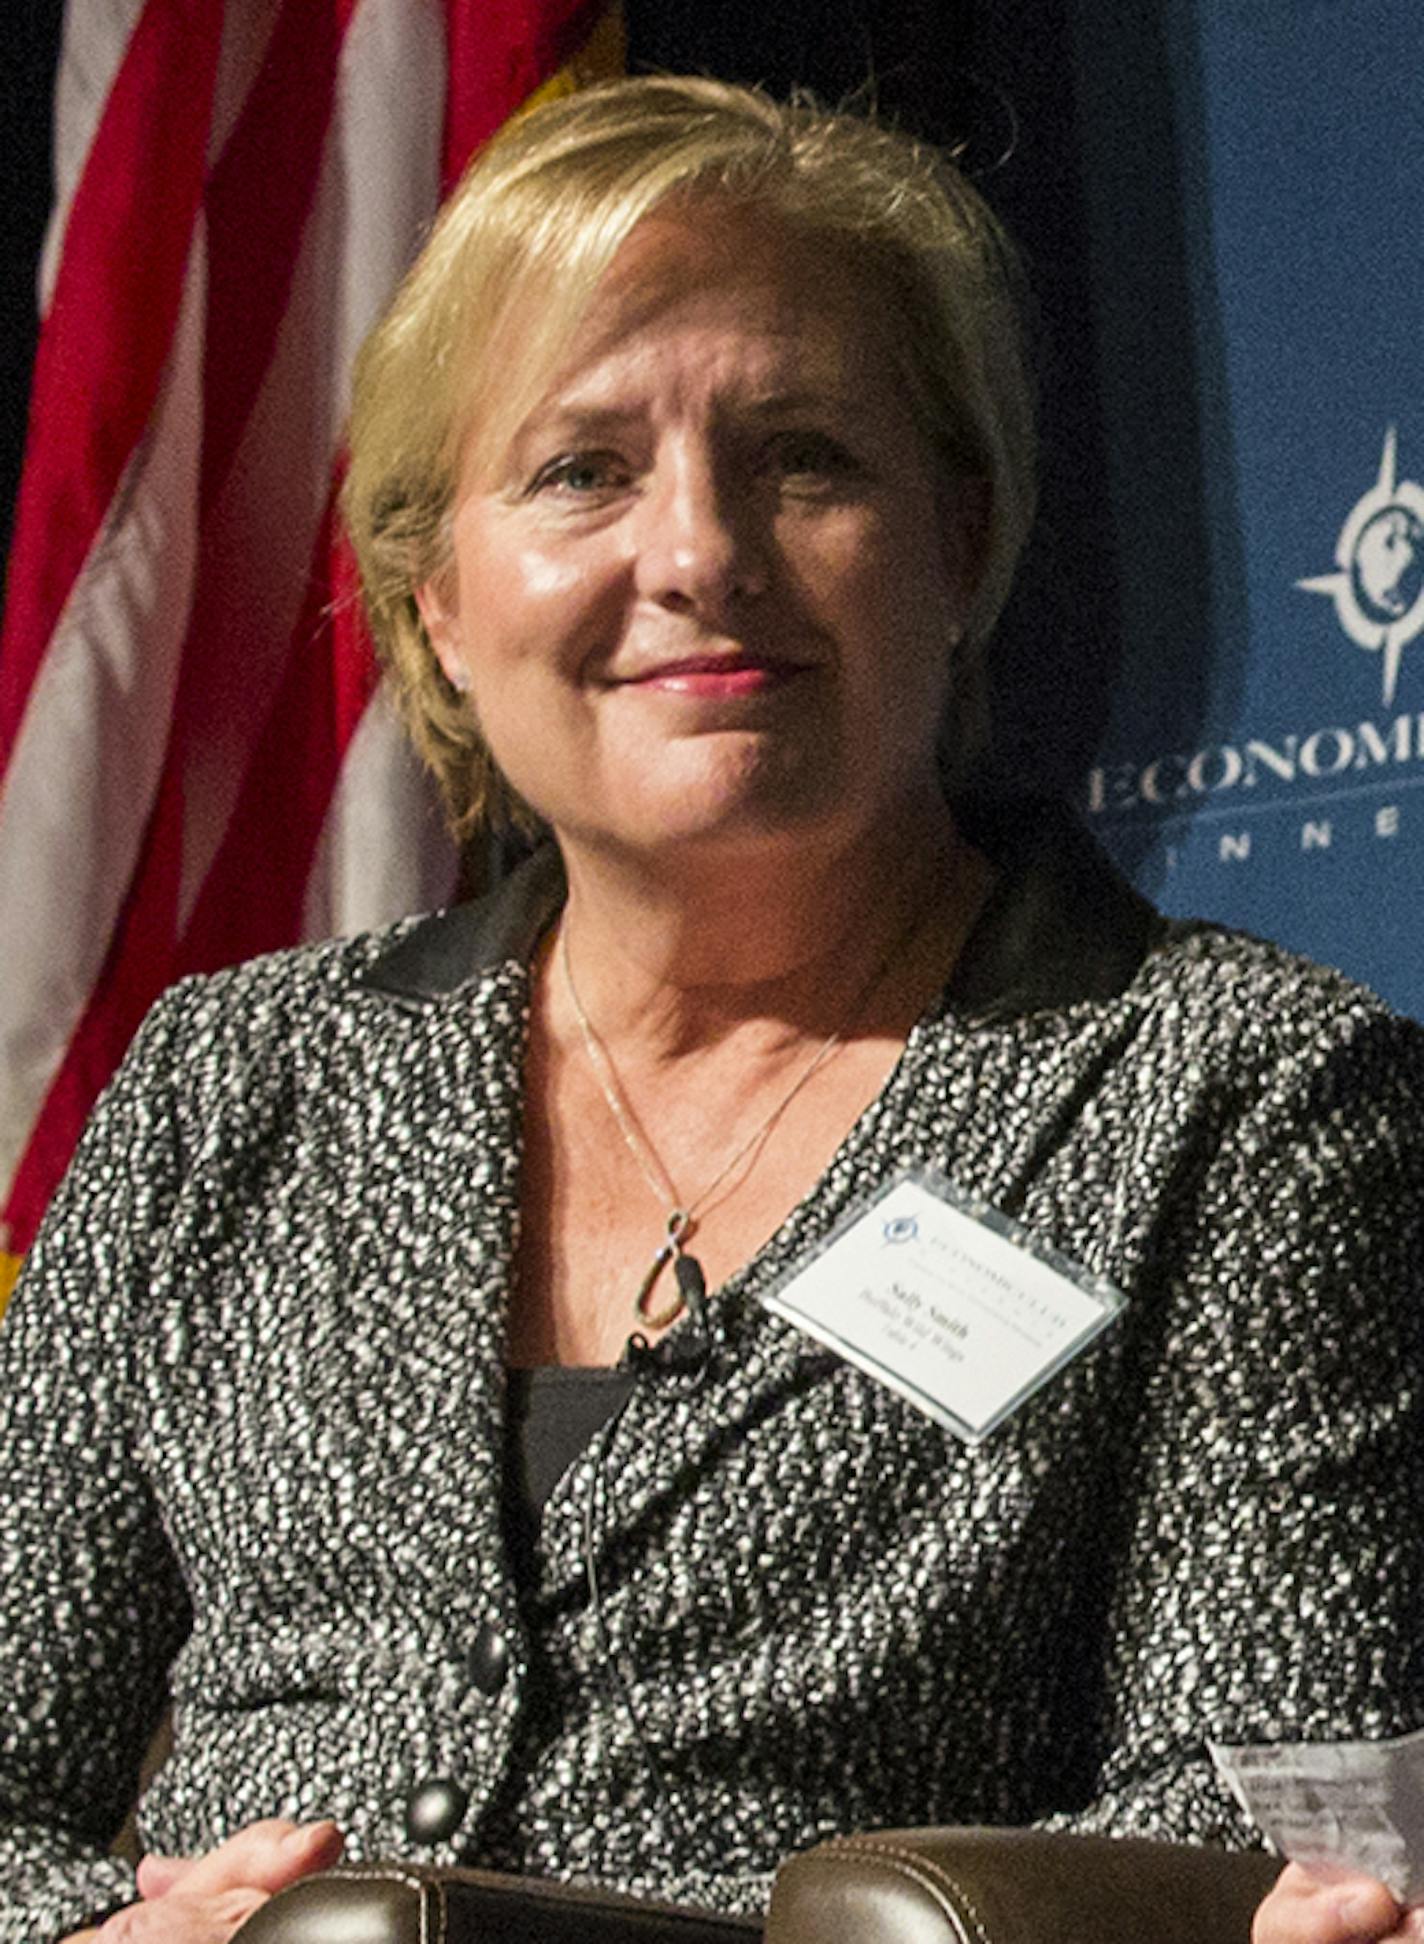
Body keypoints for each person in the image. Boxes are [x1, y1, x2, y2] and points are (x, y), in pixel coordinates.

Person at [1, 73, 1422, 1944]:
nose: (697, 556)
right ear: (436, 597)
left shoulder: (1241, 1096)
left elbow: (1258, 1798)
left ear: (963, 540)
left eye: (806, 458)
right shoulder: (233, 1085)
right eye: (583, 470)